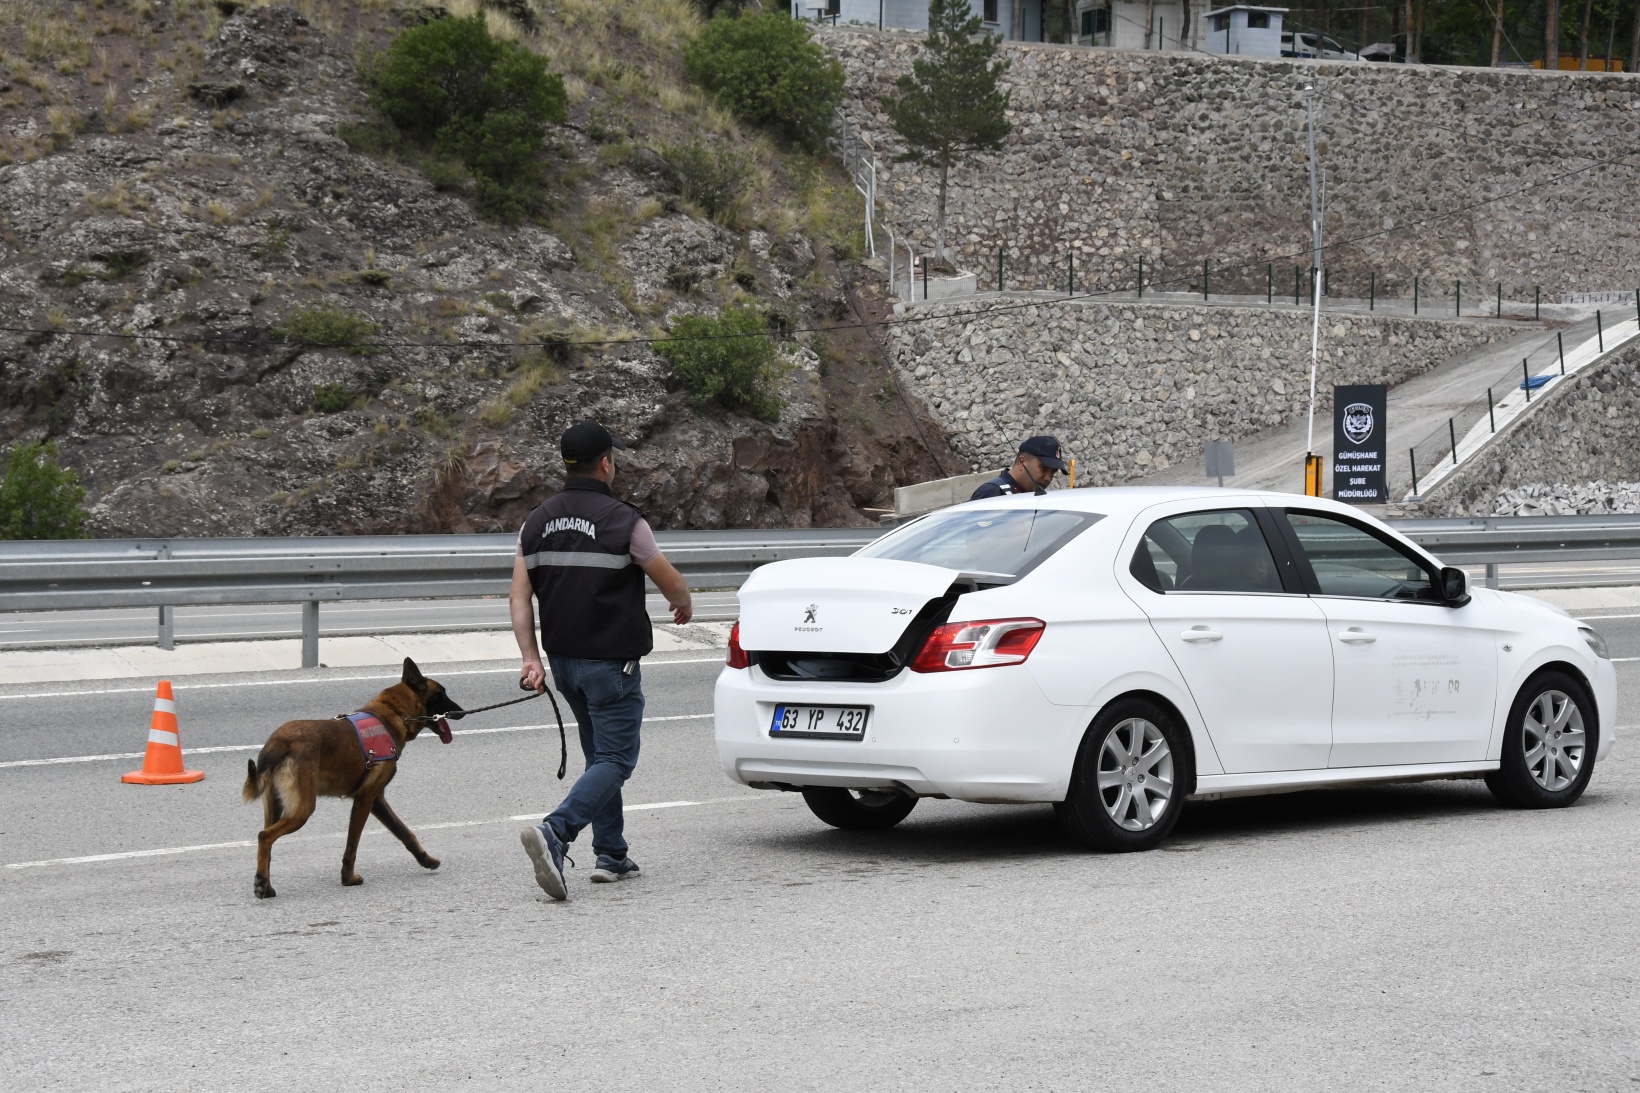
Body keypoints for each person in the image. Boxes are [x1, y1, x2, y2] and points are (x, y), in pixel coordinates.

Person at [512, 420, 693, 901]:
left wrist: (531, 658)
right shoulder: (624, 521)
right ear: (607, 463)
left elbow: (519, 594)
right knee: (616, 758)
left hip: (565, 664)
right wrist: (684, 602)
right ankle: (557, 831)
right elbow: (669, 581)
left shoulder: (535, 522)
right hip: (611, 664)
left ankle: (611, 854)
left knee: (599, 757)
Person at [969, 435, 1069, 500]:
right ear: (1021, 462)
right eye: (1043, 468)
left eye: (1053, 472)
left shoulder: (1032, 495)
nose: (1048, 478)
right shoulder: (993, 493)